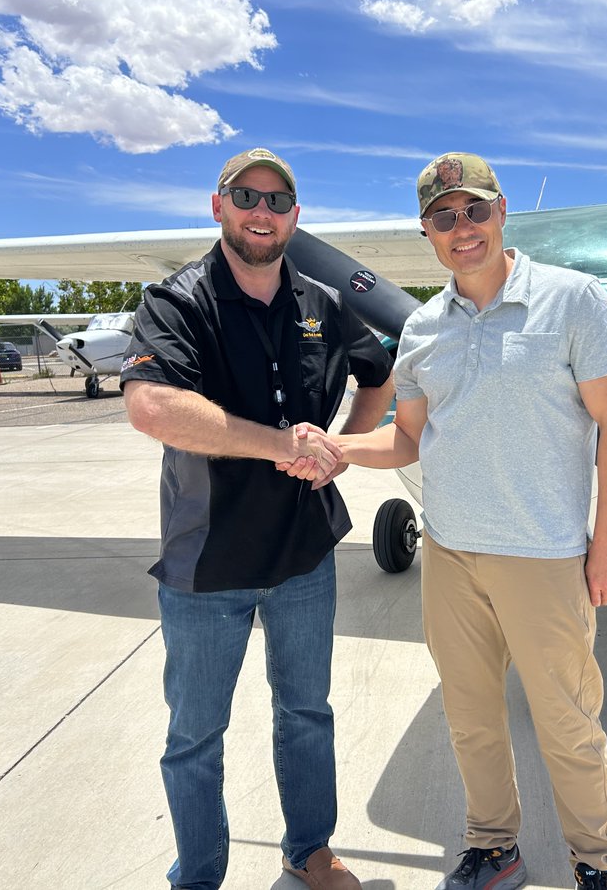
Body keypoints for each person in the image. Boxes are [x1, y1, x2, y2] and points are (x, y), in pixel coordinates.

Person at [323, 152, 607, 890]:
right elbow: (405, 439)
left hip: (545, 554)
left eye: (474, 210)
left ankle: (595, 862)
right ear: (428, 233)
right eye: (444, 216)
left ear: (501, 213)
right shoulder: (426, 329)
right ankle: (494, 847)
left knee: (567, 724)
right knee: (470, 720)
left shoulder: (573, 299)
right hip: (450, 554)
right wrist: (336, 445)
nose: (461, 228)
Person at [121, 147, 395, 890]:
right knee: (195, 737)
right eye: (247, 196)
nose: (262, 212)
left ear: (295, 218)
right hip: (207, 564)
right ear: (219, 207)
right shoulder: (176, 303)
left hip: (304, 556)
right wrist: (284, 445)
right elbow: (152, 406)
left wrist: (340, 447)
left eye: (278, 201)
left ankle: (309, 849)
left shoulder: (324, 306)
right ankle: (201, 874)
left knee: (307, 713)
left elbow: (381, 371)